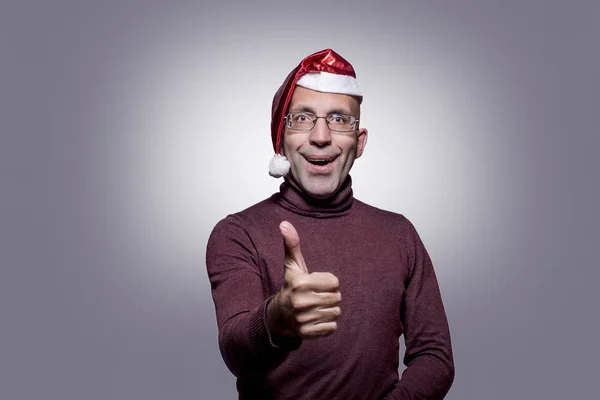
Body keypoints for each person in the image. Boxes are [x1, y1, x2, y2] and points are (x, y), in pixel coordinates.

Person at [206, 49, 454, 399]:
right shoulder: (237, 233)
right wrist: (278, 319)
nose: (321, 136)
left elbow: (435, 357)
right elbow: (236, 351)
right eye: (302, 119)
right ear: (282, 137)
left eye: (339, 119)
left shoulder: (400, 234)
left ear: (360, 141)